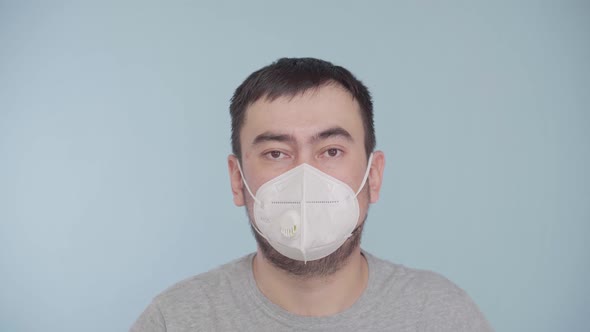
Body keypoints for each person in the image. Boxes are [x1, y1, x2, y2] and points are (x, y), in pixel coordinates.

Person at [130, 57, 493, 331]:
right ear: (237, 180)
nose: (306, 176)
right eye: (276, 153)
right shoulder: (174, 320)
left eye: (331, 151)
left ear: (374, 176)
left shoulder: (442, 316)